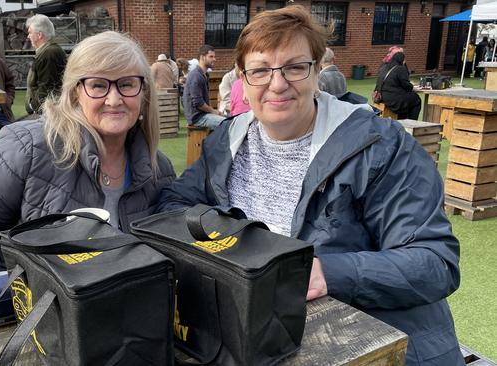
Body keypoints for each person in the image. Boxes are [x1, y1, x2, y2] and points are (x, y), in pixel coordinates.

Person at [156, 6, 463, 366]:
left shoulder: (380, 146)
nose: (277, 83)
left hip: (376, 346)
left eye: (294, 67)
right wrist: (231, 243)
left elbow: (434, 262)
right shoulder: (226, 141)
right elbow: (174, 206)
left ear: (317, 69)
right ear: (242, 78)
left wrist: (326, 273)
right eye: (260, 71)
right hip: (270, 339)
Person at [0, 30, 176, 365]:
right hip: (13, 329)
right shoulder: (32, 146)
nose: (114, 98)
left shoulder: (158, 169)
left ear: (144, 94)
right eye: (98, 84)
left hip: (101, 334)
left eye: (127, 84)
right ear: (76, 92)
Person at [24, 14, 67, 115]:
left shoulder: (49, 54)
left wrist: (34, 106)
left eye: (30, 32)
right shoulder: (48, 51)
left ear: (39, 35)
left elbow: (47, 89)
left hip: (47, 114)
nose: (28, 36)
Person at [182, 45, 227, 129]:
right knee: (227, 124)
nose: (214, 59)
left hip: (204, 115)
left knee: (230, 119)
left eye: (214, 56)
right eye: (211, 56)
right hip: (197, 118)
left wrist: (214, 112)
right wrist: (213, 111)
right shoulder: (196, 75)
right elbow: (198, 103)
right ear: (202, 57)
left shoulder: (204, 75)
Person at [374, 52, 421, 120]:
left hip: (381, 97)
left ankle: (402, 118)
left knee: (407, 99)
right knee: (416, 99)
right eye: (404, 60)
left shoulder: (384, 67)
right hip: (393, 100)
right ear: (401, 60)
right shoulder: (400, 69)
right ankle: (412, 122)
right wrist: (413, 86)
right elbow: (407, 86)